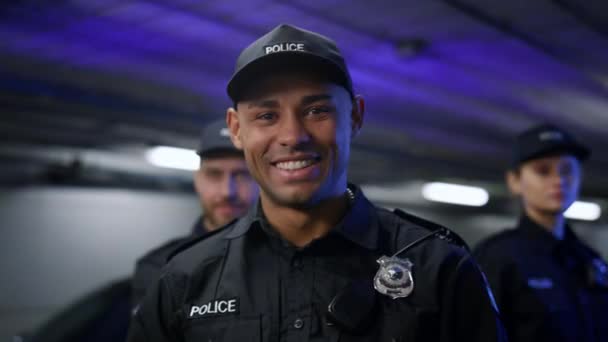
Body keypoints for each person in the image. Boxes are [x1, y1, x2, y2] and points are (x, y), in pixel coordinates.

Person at [127, 23, 506, 341]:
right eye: (266, 115)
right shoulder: (185, 278)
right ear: (236, 129)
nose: (292, 135)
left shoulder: (437, 268)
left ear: (355, 116)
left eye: (316, 110)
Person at [474, 123, 608, 341]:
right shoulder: (496, 259)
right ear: (515, 181)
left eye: (567, 170)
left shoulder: (590, 261)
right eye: (543, 171)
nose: (559, 181)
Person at [131, 119, 258, 309]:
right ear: (198, 181)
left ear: (262, 182)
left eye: (242, 175)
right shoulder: (160, 268)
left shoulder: (291, 260)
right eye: (214, 174)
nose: (227, 191)